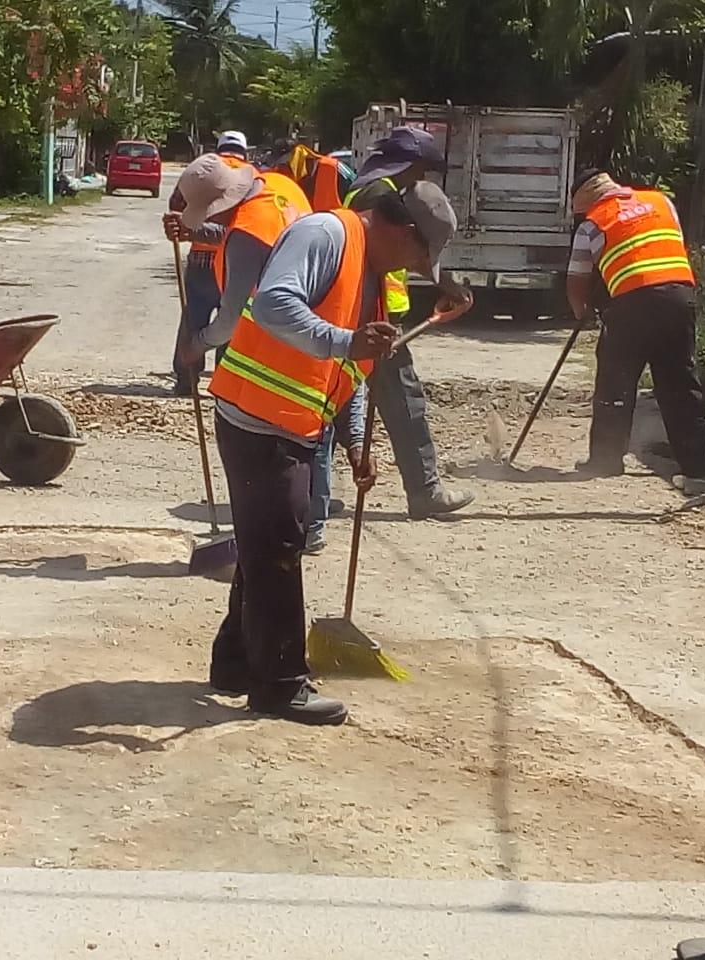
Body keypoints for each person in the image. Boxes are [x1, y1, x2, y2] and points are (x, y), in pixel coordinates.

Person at [205, 181, 459, 726]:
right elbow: (274, 302)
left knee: (262, 542)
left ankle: (236, 662)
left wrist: (354, 443)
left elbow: (348, 367)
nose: (415, 268)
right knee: (277, 546)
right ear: (400, 228)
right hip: (256, 416)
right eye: (419, 255)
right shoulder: (327, 233)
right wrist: (344, 342)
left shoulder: (369, 270)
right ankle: (278, 684)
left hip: (292, 422)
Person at [304, 127, 471, 551]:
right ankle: (424, 491)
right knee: (399, 403)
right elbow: (401, 251)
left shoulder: (368, 186)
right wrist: (445, 284)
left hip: (367, 310)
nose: (424, 179)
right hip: (372, 317)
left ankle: (314, 498)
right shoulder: (381, 195)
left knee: (340, 403)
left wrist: (442, 285)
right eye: (423, 170)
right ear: (410, 165)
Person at [566, 169, 705, 482]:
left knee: (614, 382)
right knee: (680, 384)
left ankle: (605, 461)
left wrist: (583, 313)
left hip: (632, 306)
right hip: (679, 296)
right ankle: (697, 467)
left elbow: (577, 281)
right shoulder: (661, 202)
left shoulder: (592, 224)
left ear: (586, 203)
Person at [168, 132, 257, 395]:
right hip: (233, 262)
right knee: (230, 323)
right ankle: (224, 384)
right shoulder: (249, 175)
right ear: (244, 151)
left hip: (200, 262)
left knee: (194, 319)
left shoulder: (205, 170)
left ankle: (187, 379)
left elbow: (176, 205)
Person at [267, 140, 354, 212]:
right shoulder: (285, 175)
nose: (282, 168)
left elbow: (355, 193)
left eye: (285, 163)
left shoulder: (333, 167)